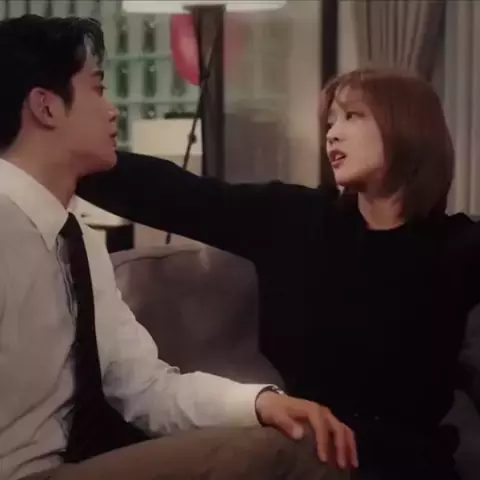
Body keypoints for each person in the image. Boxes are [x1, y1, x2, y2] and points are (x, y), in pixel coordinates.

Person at [77, 65, 480, 480]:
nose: (333, 134)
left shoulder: (459, 248)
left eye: (352, 116)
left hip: (412, 466)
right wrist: (69, 159)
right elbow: (181, 196)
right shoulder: (297, 219)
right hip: (305, 456)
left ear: (408, 128)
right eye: (330, 122)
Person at [0, 14, 357, 480]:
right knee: (287, 454)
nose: (113, 110)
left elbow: (144, 388)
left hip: (76, 461)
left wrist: (259, 402)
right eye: (98, 89)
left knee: (297, 437)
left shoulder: (76, 241)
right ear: (45, 107)